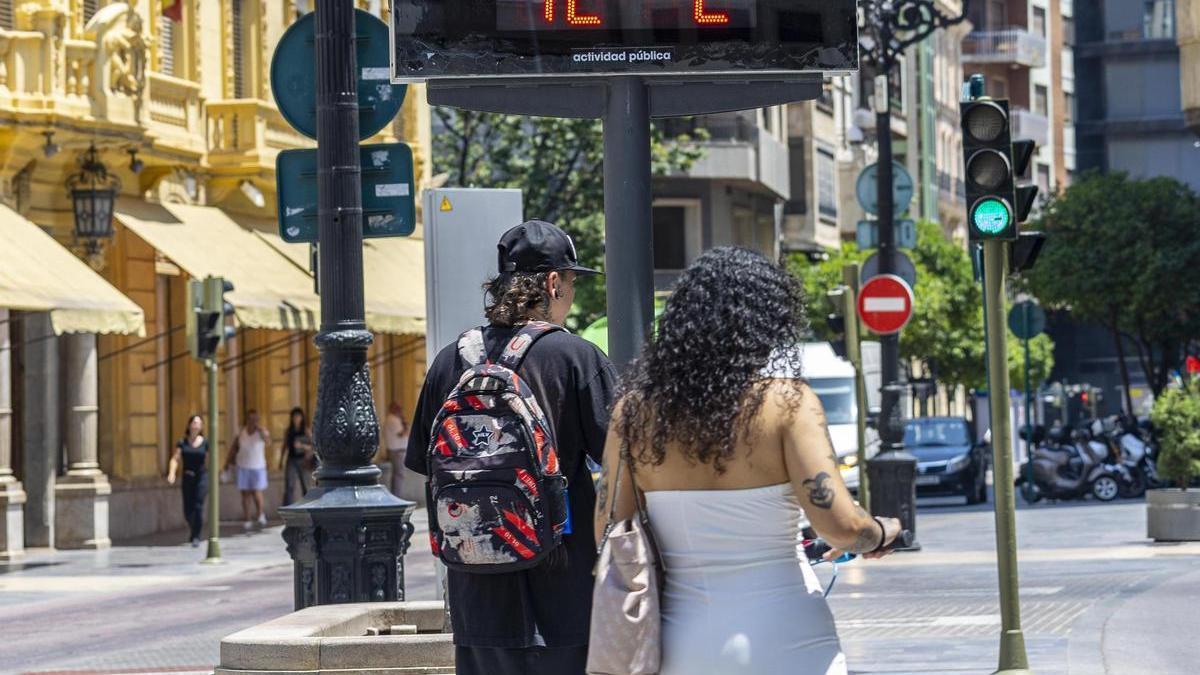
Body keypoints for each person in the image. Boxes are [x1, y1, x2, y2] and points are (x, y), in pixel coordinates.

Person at [594, 247, 902, 675]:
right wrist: (884, 531)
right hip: (788, 638)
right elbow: (843, 527)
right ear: (767, 322)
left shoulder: (633, 415)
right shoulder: (789, 403)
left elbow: (608, 530)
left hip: (682, 645)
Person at [406, 220, 616, 675]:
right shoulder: (577, 359)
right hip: (562, 597)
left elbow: (424, 462)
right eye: (572, 282)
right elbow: (623, 461)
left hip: (475, 602)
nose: (571, 294)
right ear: (553, 283)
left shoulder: (449, 361)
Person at [224, 409, 270, 529]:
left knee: (256, 492)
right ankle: (247, 518)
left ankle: (260, 514)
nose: (253, 421)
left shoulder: (261, 432)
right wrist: (227, 463)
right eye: (251, 419)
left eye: (255, 419)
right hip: (243, 466)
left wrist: (261, 431)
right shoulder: (241, 432)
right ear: (247, 419)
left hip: (258, 467)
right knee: (245, 494)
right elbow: (233, 448)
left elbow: (268, 442)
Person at [167, 414, 208, 547]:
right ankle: (193, 529)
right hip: (188, 477)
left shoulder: (206, 443)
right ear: (189, 425)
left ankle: (196, 536)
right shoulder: (182, 443)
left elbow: (210, 459)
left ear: (201, 427)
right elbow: (175, 459)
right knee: (188, 510)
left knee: (198, 505)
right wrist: (172, 473)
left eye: (198, 423)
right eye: (194, 423)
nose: (196, 425)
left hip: (201, 477)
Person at [278, 407, 313, 506]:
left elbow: (313, 446)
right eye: (294, 416)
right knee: (289, 485)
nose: (296, 418)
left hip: (303, 460)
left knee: (306, 485)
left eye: (298, 416)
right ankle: (287, 507)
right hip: (291, 460)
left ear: (302, 418)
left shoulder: (306, 430)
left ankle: (308, 506)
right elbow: (284, 446)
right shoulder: (288, 431)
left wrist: (302, 446)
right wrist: (281, 460)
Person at [383, 402, 409, 497]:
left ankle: (396, 494)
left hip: (396, 450)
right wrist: (405, 423)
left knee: (397, 474)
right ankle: (397, 495)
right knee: (399, 475)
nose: (400, 411)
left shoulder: (391, 419)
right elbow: (401, 433)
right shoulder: (393, 419)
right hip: (397, 451)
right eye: (398, 409)